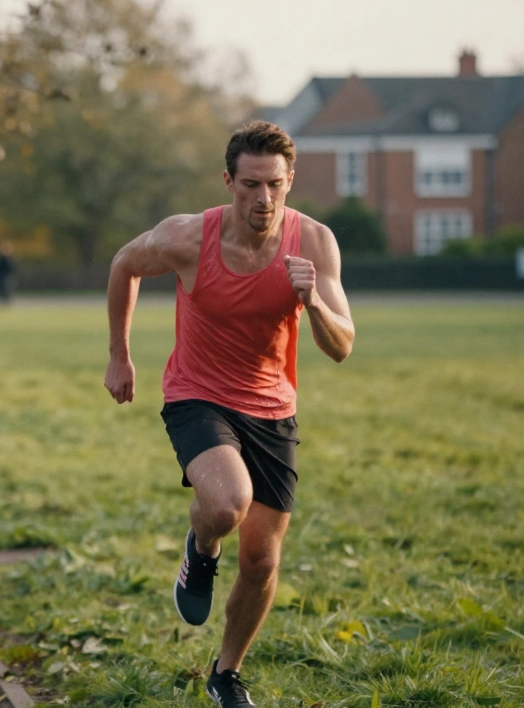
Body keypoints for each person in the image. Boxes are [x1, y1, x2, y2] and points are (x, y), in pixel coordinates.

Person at [103, 120, 355, 708]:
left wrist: (313, 301)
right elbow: (123, 264)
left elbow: (342, 346)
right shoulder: (190, 237)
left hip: (273, 409)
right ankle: (202, 543)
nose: (263, 199)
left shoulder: (314, 243)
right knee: (225, 503)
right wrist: (119, 354)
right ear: (228, 181)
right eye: (250, 185)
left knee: (262, 560)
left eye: (274, 184)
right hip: (198, 394)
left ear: (290, 181)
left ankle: (226, 674)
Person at [0, 241, 17, 306]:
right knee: (0, 290)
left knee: (7, 290)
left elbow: (12, 269)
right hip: (0, 277)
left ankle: (6, 301)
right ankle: (1, 301)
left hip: (7, 277)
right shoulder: (0, 259)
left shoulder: (10, 259)